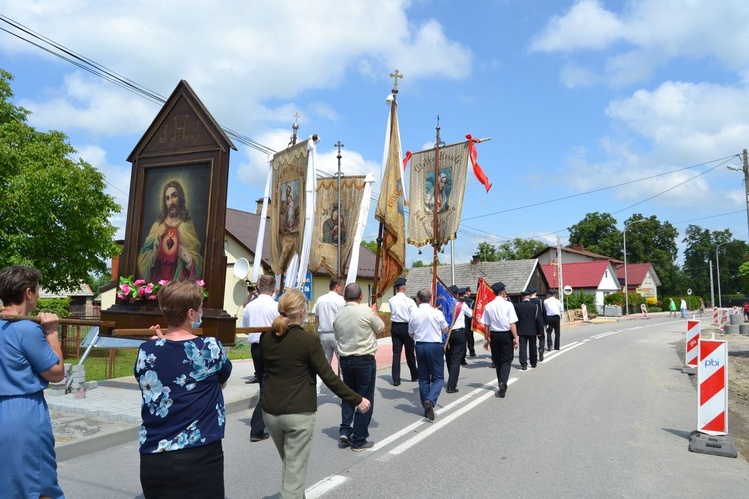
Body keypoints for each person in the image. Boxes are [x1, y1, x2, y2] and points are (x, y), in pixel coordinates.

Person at [261, 289, 370, 498]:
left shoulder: (267, 338)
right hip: (298, 414)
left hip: (271, 412)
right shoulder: (308, 341)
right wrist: (357, 399)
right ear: (303, 312)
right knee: (294, 471)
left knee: (292, 466)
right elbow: (330, 378)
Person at [134, 279, 232, 498]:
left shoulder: (146, 351)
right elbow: (223, 375)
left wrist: (158, 343)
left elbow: (162, 367)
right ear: (190, 314)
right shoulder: (210, 347)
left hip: (154, 457)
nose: (201, 311)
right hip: (199, 456)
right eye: (200, 308)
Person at [0, 265, 65, 499]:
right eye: (37, 291)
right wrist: (52, 333)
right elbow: (56, 373)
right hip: (23, 413)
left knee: (7, 486)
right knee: (38, 486)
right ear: (28, 293)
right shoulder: (26, 329)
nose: (37, 296)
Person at [333, 283, 384, 451]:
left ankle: (345, 430)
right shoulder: (366, 312)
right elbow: (381, 328)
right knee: (365, 397)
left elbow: (337, 335)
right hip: (364, 359)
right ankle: (359, 438)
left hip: (346, 360)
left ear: (344, 296)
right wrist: (374, 310)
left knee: (348, 396)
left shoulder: (339, 315)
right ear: (361, 296)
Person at [137, 179, 203, 282]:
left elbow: (196, 256)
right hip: (157, 282)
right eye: (167, 198)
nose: (171, 202)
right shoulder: (157, 226)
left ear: (180, 198)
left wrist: (190, 260)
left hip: (178, 283)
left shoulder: (187, 225)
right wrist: (154, 254)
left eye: (174, 196)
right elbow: (143, 256)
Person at [242, 274, 279, 442]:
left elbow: (246, 330)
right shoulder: (275, 306)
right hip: (271, 347)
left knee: (265, 384)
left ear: (258, 286)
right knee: (267, 386)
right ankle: (257, 427)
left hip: (255, 348)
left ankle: (269, 419)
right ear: (274, 288)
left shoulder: (250, 306)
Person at [409, 288, 449, 421]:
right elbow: (445, 329)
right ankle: (430, 400)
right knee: (438, 378)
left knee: (424, 378)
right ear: (430, 299)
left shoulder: (414, 313)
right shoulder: (436, 312)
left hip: (420, 345)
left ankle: (427, 408)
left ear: (418, 300)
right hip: (434, 345)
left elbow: (410, 332)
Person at [482, 281, 519, 398]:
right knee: (506, 360)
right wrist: (516, 337)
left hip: (494, 335)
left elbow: (486, 325)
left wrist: (486, 339)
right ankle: (503, 382)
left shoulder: (488, 306)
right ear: (503, 293)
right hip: (506, 334)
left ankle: (500, 382)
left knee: (497, 360)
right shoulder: (508, 305)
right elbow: (512, 323)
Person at [314, 277, 345, 394]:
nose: (343, 290)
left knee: (323, 366)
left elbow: (316, 318)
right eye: (342, 287)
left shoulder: (320, 299)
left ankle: (315, 392)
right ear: (337, 287)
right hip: (337, 335)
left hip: (323, 334)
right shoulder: (341, 301)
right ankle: (344, 395)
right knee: (342, 366)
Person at [387, 277, 418, 386]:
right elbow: (414, 316)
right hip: (406, 326)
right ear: (404, 288)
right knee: (410, 352)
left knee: (396, 353)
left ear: (396, 288)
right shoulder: (410, 301)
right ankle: (414, 375)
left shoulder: (391, 300)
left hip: (395, 326)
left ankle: (396, 379)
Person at [445, 287, 472, 393]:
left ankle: (451, 377)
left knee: (448, 356)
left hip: (447, 333)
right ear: (457, 295)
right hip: (458, 333)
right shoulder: (462, 305)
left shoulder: (445, 304)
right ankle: (451, 385)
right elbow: (470, 314)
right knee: (456, 359)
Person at [515, 290, 545, 370]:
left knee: (523, 347)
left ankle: (523, 364)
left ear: (522, 297)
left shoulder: (518, 306)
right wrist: (539, 331)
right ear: (529, 296)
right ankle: (533, 363)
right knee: (533, 346)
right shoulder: (535, 306)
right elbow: (538, 320)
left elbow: (516, 320)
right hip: (532, 330)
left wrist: (516, 332)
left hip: (521, 330)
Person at [529, 288, 548, 362]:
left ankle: (534, 355)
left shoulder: (528, 301)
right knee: (542, 338)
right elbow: (544, 313)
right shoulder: (540, 301)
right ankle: (541, 349)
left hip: (531, 323)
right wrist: (546, 323)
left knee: (533, 340)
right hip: (540, 323)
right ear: (535, 293)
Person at [461, 287, 476, 363]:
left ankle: (463, 355)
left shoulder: (458, 301)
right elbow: (473, 312)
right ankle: (472, 351)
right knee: (470, 337)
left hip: (461, 323)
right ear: (466, 292)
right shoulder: (471, 301)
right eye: (469, 291)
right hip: (469, 321)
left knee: (463, 340)